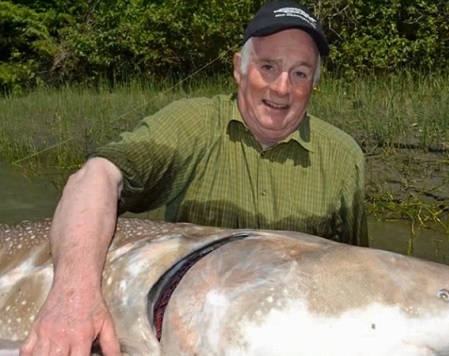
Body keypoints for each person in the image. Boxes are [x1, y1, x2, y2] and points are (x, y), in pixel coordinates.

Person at [20, 1, 368, 355]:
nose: (281, 88)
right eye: (268, 66)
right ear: (239, 69)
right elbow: (96, 177)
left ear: (315, 82)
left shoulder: (344, 158)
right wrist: (72, 298)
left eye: (300, 73)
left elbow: (357, 275)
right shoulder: (191, 125)